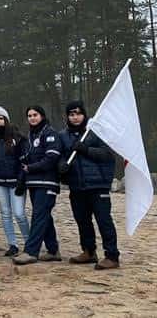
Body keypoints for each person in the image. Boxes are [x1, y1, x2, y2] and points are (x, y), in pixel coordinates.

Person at [58, 100, 119, 270]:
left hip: (97, 185)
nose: (75, 117)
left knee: (104, 221)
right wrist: (61, 166)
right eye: (71, 114)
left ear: (84, 114)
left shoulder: (96, 132)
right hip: (77, 186)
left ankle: (112, 255)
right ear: (67, 117)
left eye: (78, 113)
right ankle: (89, 251)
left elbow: (108, 155)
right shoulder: (63, 136)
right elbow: (61, 155)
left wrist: (86, 149)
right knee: (82, 221)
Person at [13, 105, 62, 265]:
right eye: (29, 115)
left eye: (35, 115)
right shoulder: (31, 135)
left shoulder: (50, 134)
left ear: (42, 115)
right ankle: (53, 250)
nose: (32, 118)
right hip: (34, 183)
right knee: (44, 217)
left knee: (38, 217)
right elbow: (28, 157)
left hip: (47, 183)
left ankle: (30, 252)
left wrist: (31, 168)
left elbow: (51, 159)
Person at [0, 106, 29, 256]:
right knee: (5, 214)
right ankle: (12, 244)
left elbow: (23, 160)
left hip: (15, 181)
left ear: (6, 119)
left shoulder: (17, 137)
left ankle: (29, 242)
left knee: (19, 213)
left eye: (0, 119)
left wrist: (21, 180)